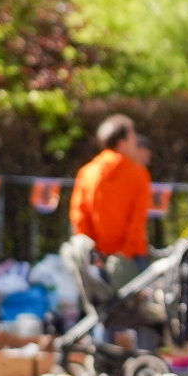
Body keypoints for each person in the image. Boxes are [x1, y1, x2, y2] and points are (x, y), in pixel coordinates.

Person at [69, 114, 152, 282]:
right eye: (133, 138)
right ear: (122, 143)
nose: (136, 143)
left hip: (96, 260)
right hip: (130, 259)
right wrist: (125, 253)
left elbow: (79, 217)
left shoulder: (87, 172)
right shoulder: (138, 174)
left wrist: (93, 254)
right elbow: (138, 220)